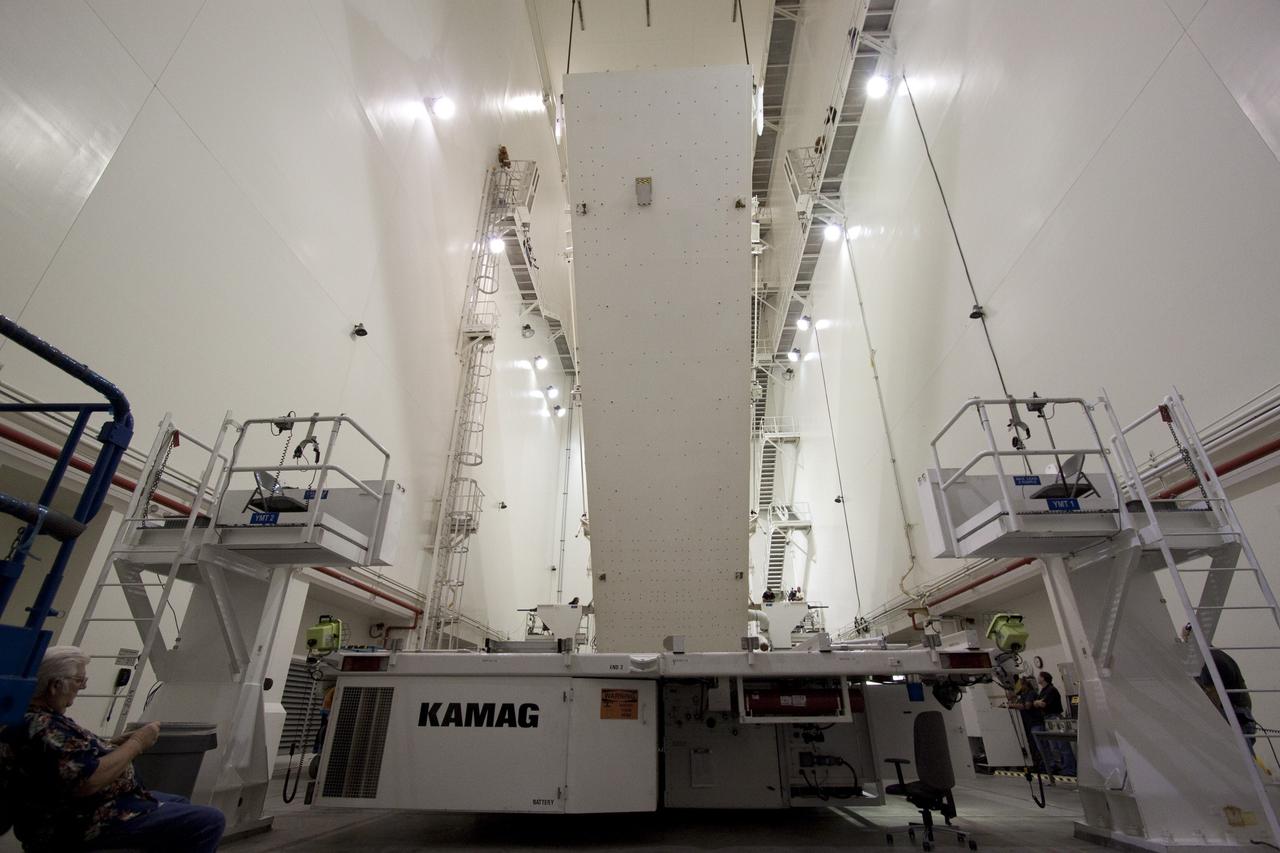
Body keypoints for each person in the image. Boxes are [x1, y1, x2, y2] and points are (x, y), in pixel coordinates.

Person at [0, 646, 225, 852]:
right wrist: (136, 743)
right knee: (209, 820)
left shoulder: (44, 720)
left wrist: (112, 745)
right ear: (55, 685)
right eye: (79, 680)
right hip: (84, 820)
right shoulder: (42, 726)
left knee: (179, 803)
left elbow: (67, 757)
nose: (84, 686)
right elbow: (88, 780)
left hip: (96, 806)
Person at [1196, 646, 1256, 753]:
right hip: (1241, 718)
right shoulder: (1215, 655)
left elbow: (1213, 702)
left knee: (1239, 762)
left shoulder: (1209, 661)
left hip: (1236, 720)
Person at [1030, 671, 1075, 777]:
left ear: (1043, 678)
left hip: (1055, 718)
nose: (1037, 678)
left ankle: (1070, 769)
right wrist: (1038, 703)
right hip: (1048, 719)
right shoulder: (1043, 691)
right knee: (1055, 746)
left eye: (1039, 676)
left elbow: (1042, 703)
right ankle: (1062, 767)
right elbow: (1037, 703)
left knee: (1062, 745)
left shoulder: (1051, 690)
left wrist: (1038, 703)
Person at [1005, 676, 1044, 770]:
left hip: (1035, 723)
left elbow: (1027, 706)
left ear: (1024, 684)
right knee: (1031, 746)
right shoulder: (1023, 695)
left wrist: (1010, 705)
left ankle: (1043, 766)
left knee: (1039, 747)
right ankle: (1036, 765)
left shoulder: (1031, 693)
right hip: (1027, 725)